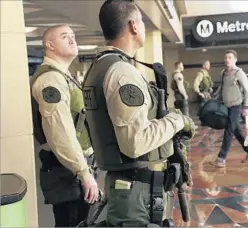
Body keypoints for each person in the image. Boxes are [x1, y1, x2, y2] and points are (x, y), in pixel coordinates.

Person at [83, 0, 195, 226]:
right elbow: (134, 143)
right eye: (142, 21)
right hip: (136, 194)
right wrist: (176, 120)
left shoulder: (100, 67)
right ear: (133, 26)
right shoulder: (122, 72)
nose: (143, 26)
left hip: (129, 188)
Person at [30, 25, 99, 227]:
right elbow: (59, 132)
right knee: (72, 222)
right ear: (49, 45)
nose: (72, 40)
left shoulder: (63, 76)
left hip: (72, 169)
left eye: (73, 36)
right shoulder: (50, 79)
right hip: (66, 171)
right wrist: (83, 172)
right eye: (64, 36)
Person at [211, 50, 248, 168]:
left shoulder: (239, 73)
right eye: (226, 58)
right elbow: (222, 87)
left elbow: (247, 90)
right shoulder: (224, 73)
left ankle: (221, 158)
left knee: (229, 131)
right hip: (226, 106)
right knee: (236, 130)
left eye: (230, 58)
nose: (227, 60)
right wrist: (213, 98)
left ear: (235, 59)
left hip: (237, 105)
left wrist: (246, 107)